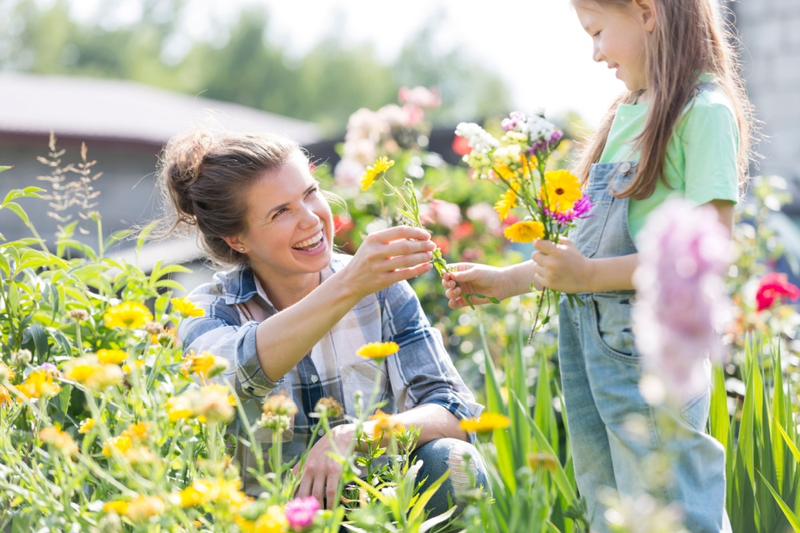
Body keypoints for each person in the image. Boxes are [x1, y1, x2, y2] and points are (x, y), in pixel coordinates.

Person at [442, 1, 753, 531]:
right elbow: (585, 246)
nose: (595, 53)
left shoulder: (703, 112)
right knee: (610, 503)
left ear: (646, 12)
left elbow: (708, 250)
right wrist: (506, 282)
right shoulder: (628, 111)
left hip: (649, 348)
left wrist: (587, 277)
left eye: (599, 32)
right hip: (588, 341)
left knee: (670, 500)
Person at [159, 128, 485, 515]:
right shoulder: (209, 312)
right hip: (266, 519)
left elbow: (455, 410)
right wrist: (349, 284)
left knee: (452, 460)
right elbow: (237, 373)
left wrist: (359, 436)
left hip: (375, 511)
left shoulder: (379, 290)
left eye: (310, 193)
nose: (311, 218)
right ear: (237, 240)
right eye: (281, 212)